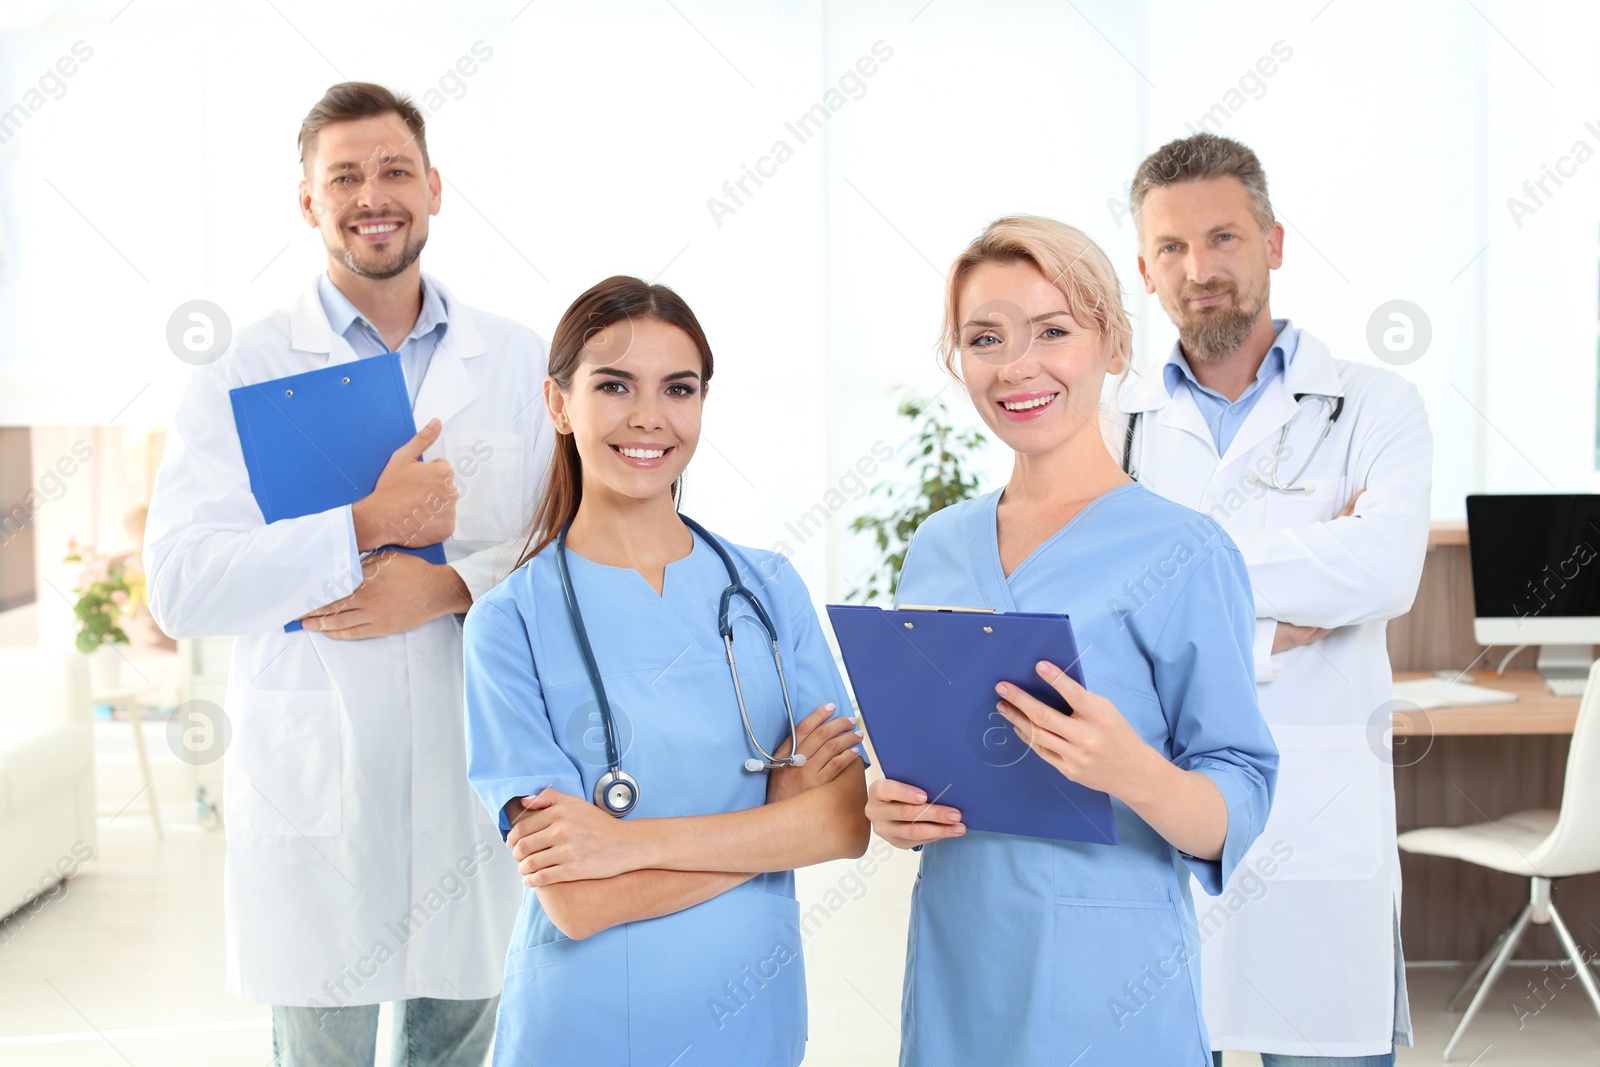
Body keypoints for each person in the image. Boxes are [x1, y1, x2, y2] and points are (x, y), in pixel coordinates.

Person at [143, 82, 552, 1065]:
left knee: (457, 1040)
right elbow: (181, 582)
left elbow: (567, 544)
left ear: (436, 188)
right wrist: (364, 524)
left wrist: (450, 584)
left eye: (395, 169)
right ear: (308, 203)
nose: (375, 194)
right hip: (315, 786)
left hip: (471, 773)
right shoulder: (242, 371)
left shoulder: (517, 359)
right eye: (346, 176)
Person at [865, 215, 1279, 1065]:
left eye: (1053, 330)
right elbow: (925, 757)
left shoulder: (1183, 551)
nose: (1019, 365)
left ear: (1114, 344)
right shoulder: (939, 546)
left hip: (1111, 978)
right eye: (987, 337)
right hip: (959, 964)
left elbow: (1238, 798)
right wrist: (890, 806)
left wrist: (1133, 771)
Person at [461, 275, 871, 1066]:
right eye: (614, 385)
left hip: (753, 1020)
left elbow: (845, 824)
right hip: (584, 1028)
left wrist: (623, 844)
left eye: (677, 388)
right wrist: (772, 828)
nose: (649, 416)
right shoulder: (508, 623)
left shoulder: (769, 588)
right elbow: (577, 902)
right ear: (558, 403)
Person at [1116, 132, 1433, 1065]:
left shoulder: (1374, 404)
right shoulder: (1113, 424)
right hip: (1165, 830)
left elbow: (1385, 569)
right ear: (1144, 267)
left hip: (1315, 827)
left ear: (1274, 243)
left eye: (1224, 238)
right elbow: (1105, 608)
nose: (1199, 268)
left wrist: (1179, 574)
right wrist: (1283, 606)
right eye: (1171, 248)